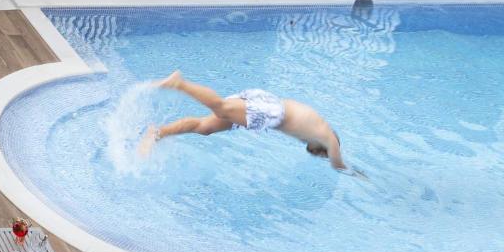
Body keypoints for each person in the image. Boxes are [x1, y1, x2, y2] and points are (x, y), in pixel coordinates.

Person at [139, 71, 348, 170]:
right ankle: (179, 84)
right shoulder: (327, 137)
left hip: (270, 105)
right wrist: (357, 175)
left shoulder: (315, 129)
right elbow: (338, 164)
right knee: (221, 108)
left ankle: (157, 133)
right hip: (272, 112)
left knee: (205, 128)